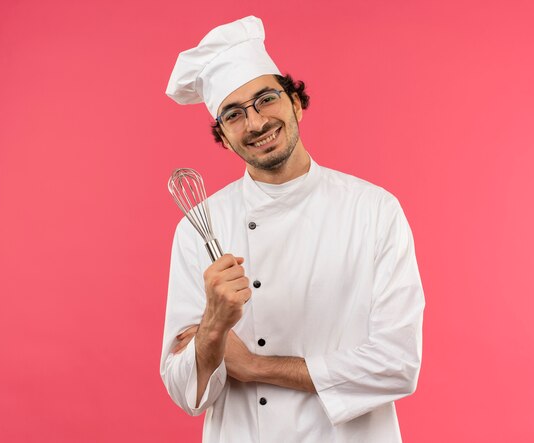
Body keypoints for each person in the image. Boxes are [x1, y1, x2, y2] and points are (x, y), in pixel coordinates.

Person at [161, 16, 425, 443]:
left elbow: (397, 365)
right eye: (233, 114)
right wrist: (213, 325)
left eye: (266, 99)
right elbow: (182, 391)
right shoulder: (197, 227)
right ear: (224, 138)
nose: (256, 122)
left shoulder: (374, 211)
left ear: (296, 102)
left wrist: (254, 367)